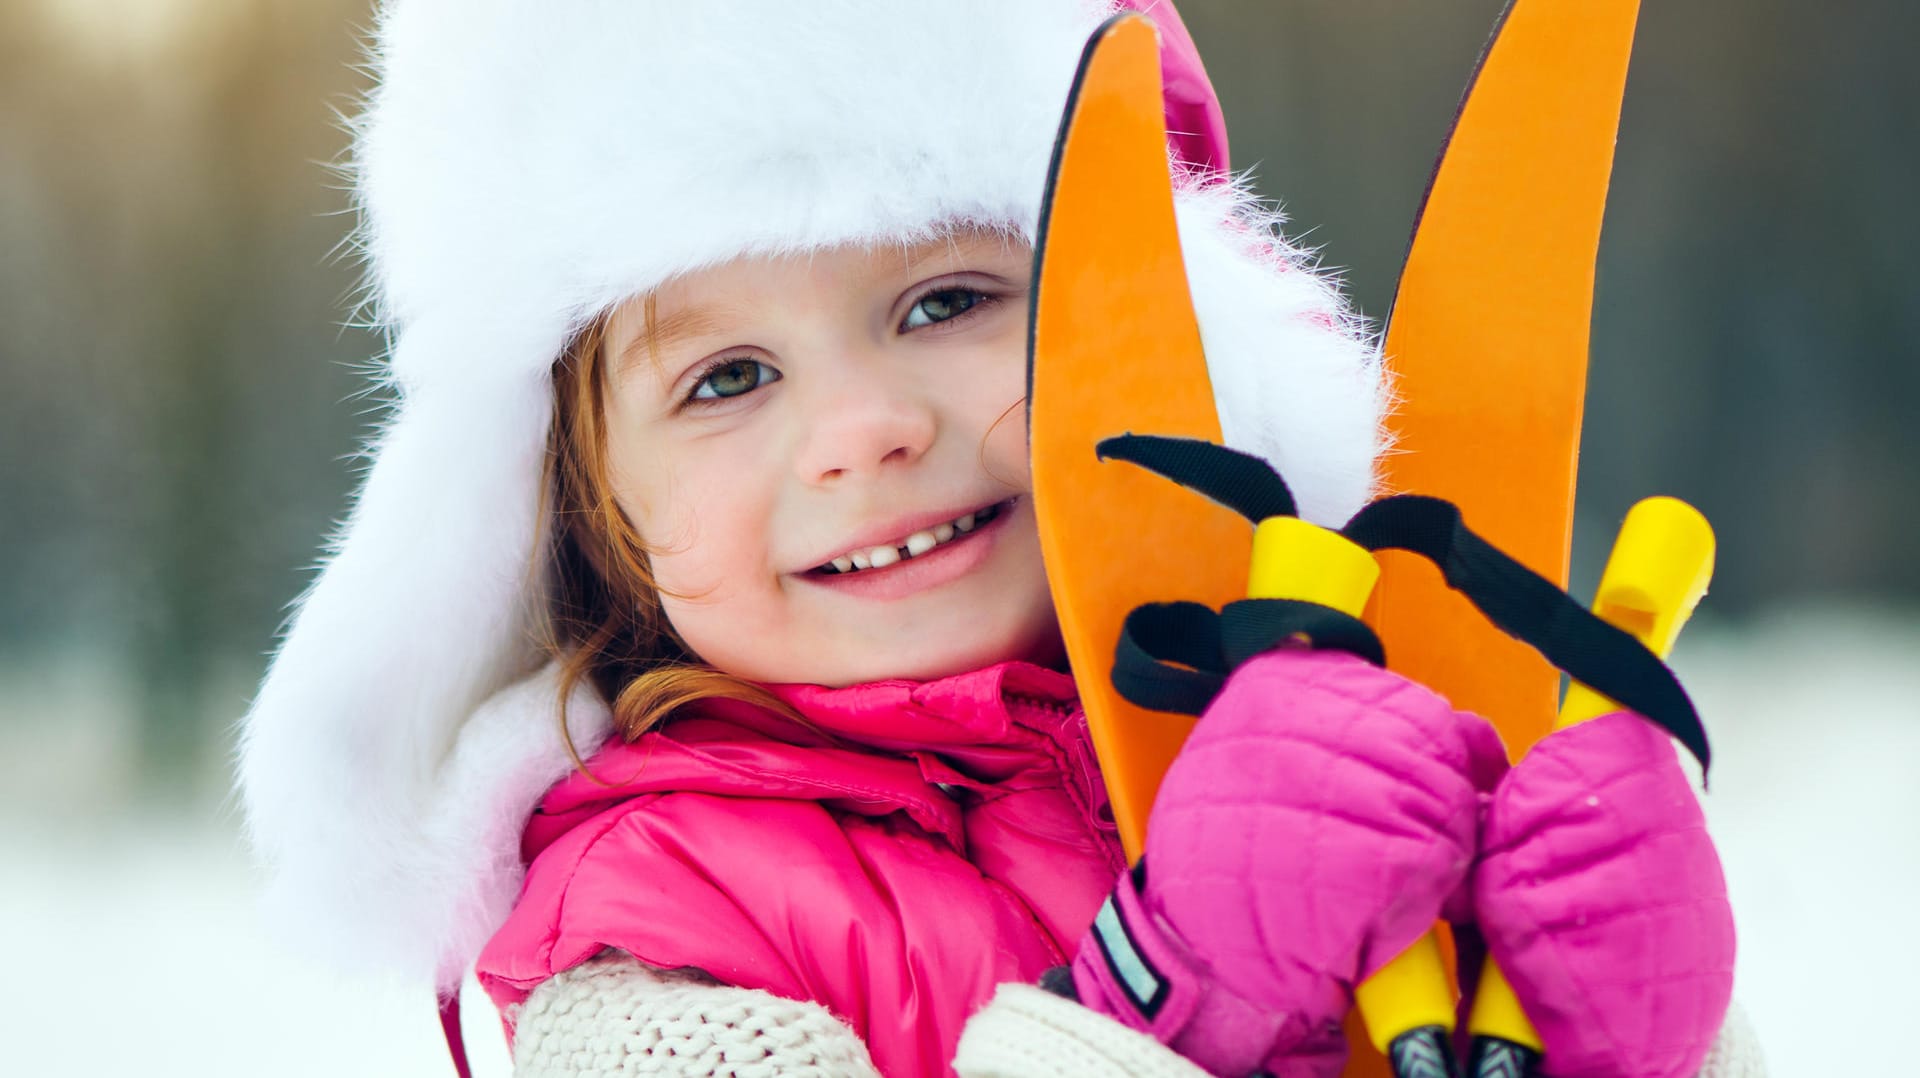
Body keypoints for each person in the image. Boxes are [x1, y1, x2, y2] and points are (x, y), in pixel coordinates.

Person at [238, 2, 1762, 1075]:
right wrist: (1170, 984)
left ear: (1149, 336)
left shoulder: (1373, 743)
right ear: (587, 515)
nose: (864, 429)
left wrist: (1644, 1037)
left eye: (946, 300)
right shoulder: (644, 947)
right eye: (729, 377)